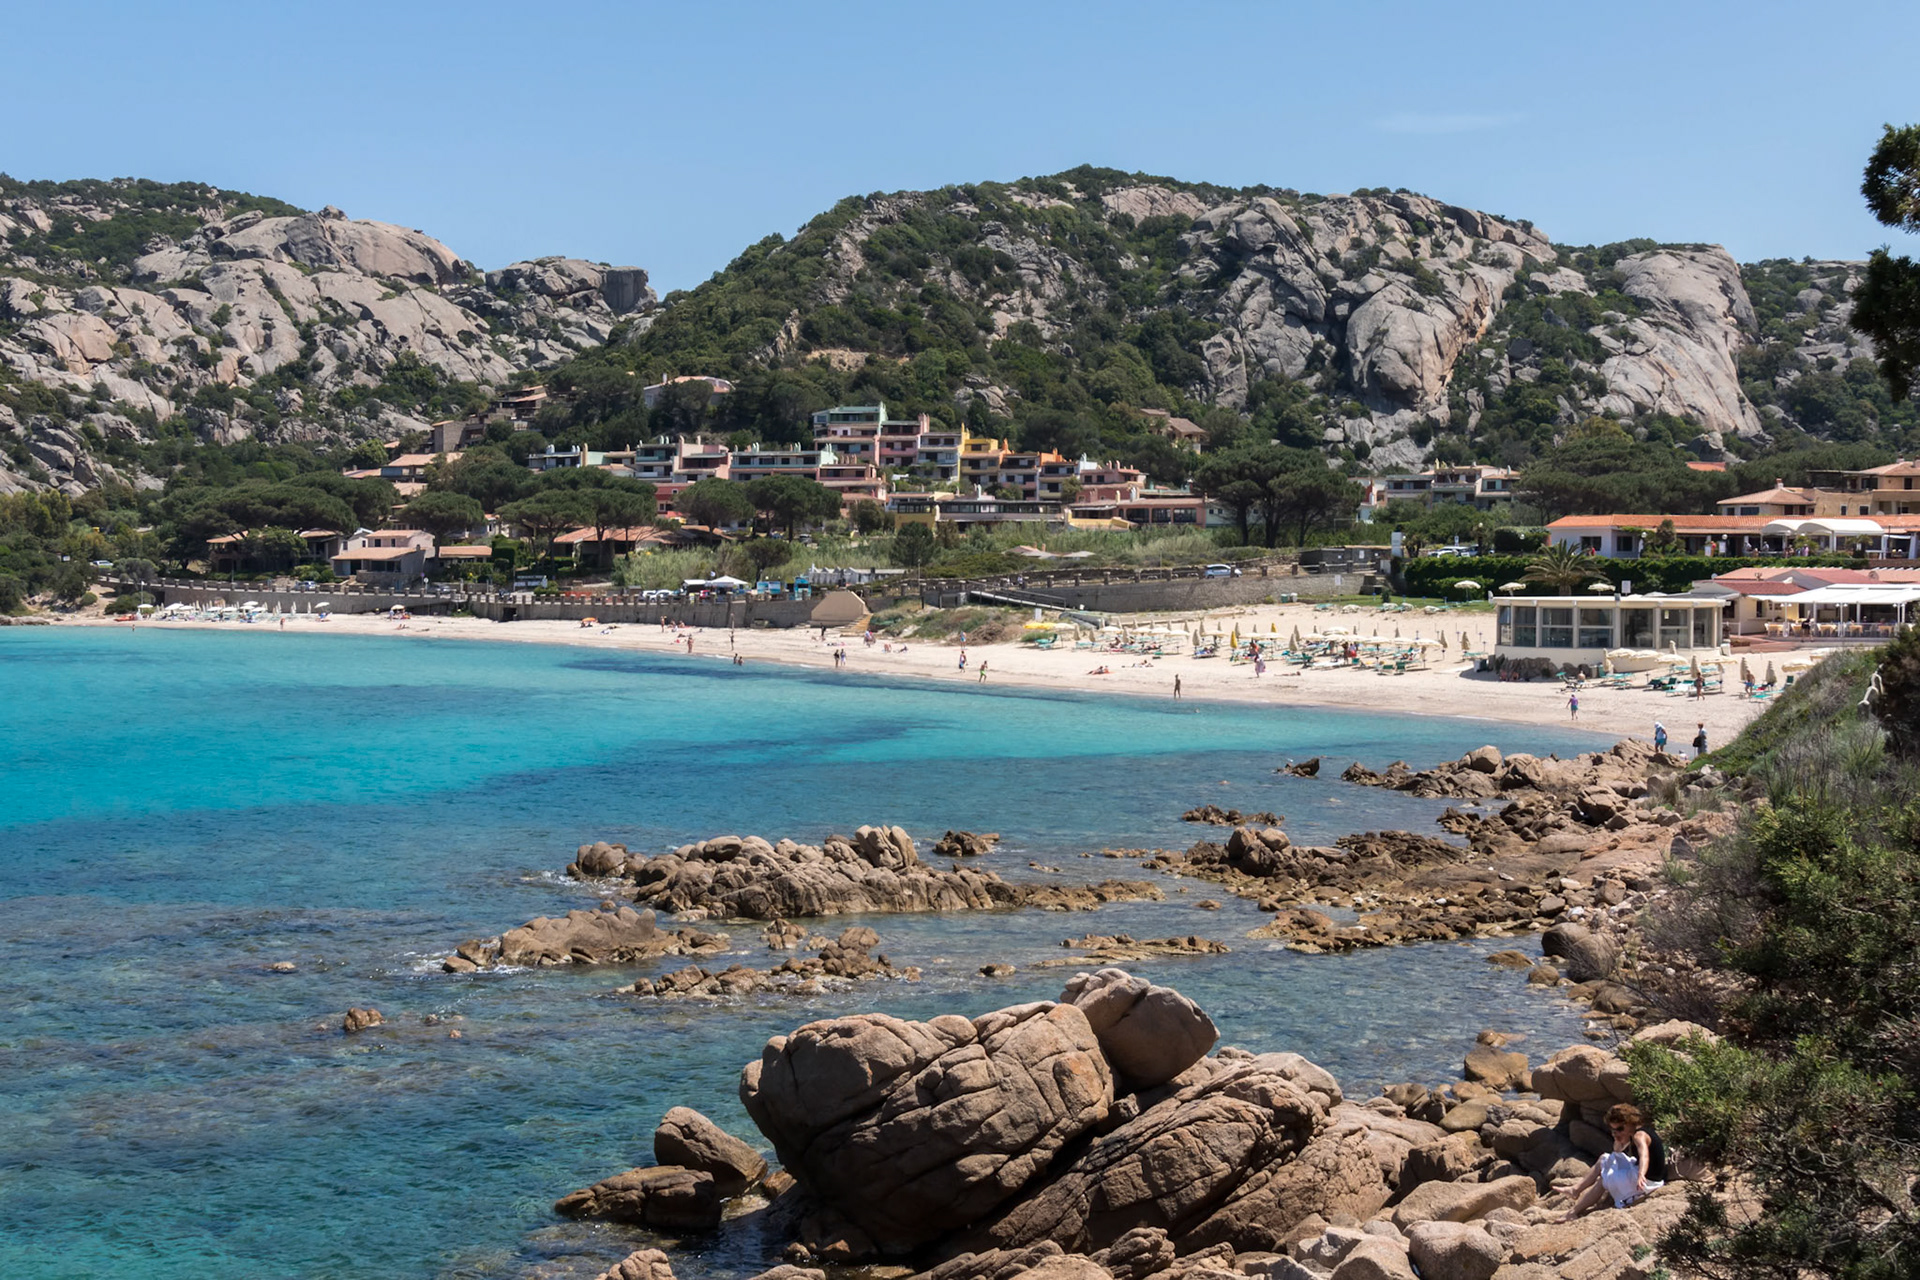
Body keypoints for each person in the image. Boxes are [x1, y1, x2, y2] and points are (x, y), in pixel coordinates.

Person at [1560, 1103, 1667, 1219]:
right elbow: (1616, 1152)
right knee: (1603, 1159)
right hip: (1642, 1173)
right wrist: (1619, 1138)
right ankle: (1575, 1189)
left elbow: (1644, 1155)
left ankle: (1573, 1211)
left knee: (1604, 1179)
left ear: (1630, 1122)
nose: (1618, 1132)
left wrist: (1641, 1175)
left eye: (1620, 1129)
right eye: (1614, 1130)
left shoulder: (1639, 1136)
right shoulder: (1635, 1132)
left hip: (1647, 1181)